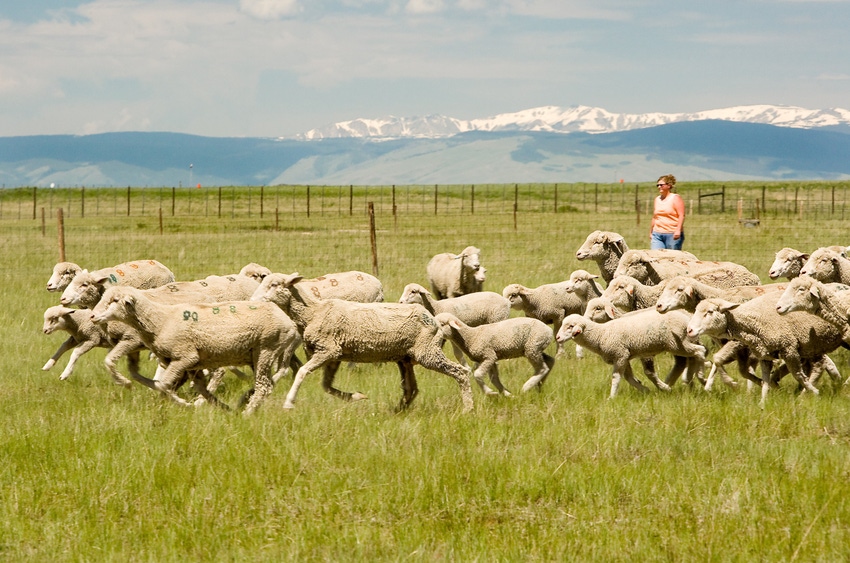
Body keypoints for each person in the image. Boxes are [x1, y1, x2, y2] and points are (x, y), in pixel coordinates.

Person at [650, 174, 685, 250]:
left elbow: (681, 215)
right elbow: (655, 217)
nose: (659, 187)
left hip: (672, 234)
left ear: (668, 186)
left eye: (661, 185)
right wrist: (651, 231)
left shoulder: (675, 198)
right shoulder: (657, 199)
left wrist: (678, 230)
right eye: (658, 185)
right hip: (657, 233)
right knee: (656, 257)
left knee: (672, 258)